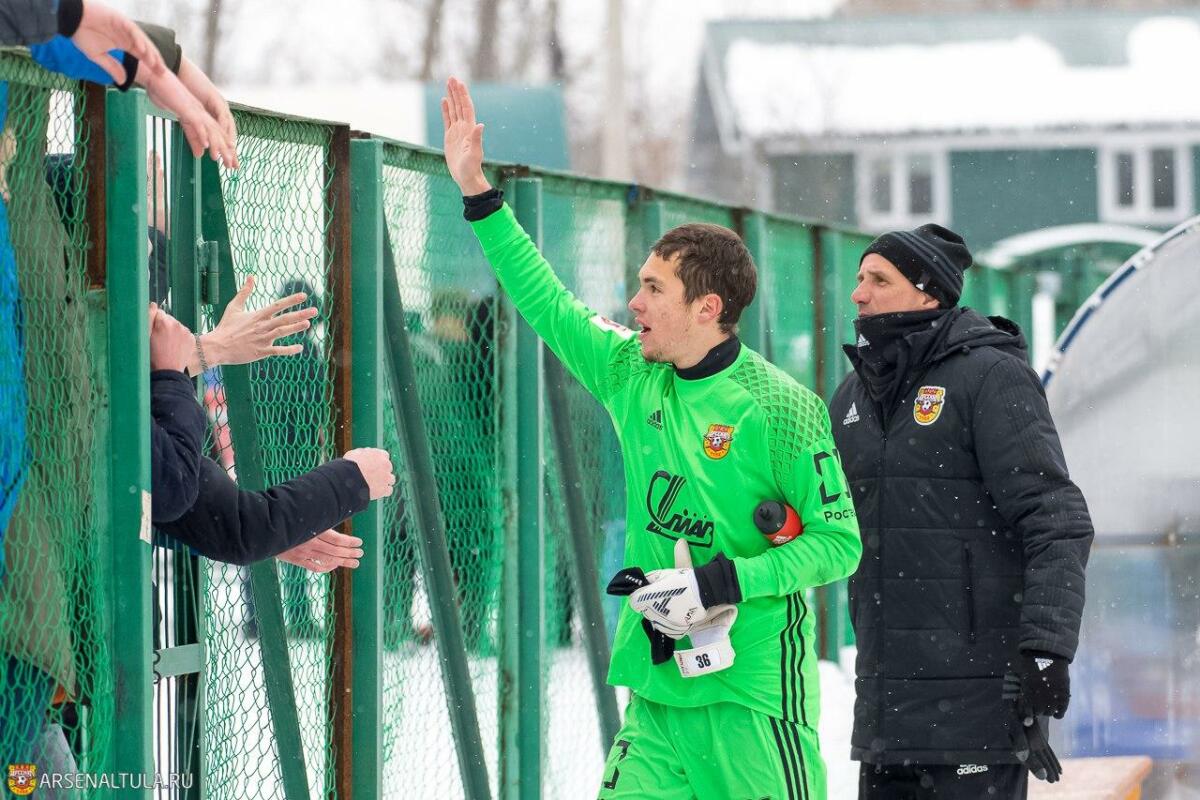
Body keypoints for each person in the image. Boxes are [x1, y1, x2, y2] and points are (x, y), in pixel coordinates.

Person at [442, 77, 861, 799]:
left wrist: (724, 582)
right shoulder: (630, 371)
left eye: (654, 289)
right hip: (659, 696)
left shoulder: (781, 407)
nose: (633, 302)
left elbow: (837, 544)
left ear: (707, 308)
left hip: (752, 698)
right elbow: (546, 301)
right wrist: (478, 193)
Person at [827, 225, 1094, 799]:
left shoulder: (990, 375)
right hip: (884, 717)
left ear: (928, 293)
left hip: (977, 713)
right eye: (859, 277)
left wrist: (1046, 649)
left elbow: (1056, 519)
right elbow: (828, 522)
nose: (858, 293)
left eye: (879, 279)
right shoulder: (852, 396)